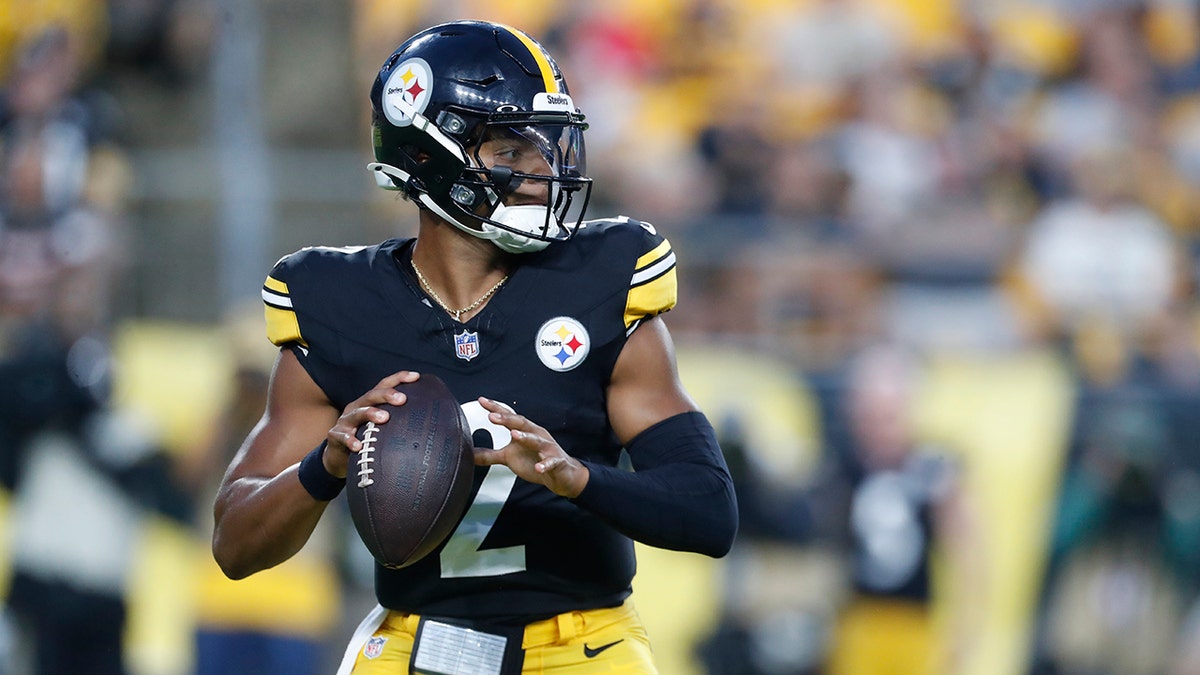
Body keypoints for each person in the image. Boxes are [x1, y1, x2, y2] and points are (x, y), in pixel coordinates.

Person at [211, 19, 738, 675]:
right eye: (512, 152)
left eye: (548, 148)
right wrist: (325, 464)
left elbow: (708, 511)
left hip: (579, 641)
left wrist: (577, 477)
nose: (544, 172)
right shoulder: (340, 301)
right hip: (417, 637)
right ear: (429, 155)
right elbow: (234, 544)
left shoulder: (600, 279)